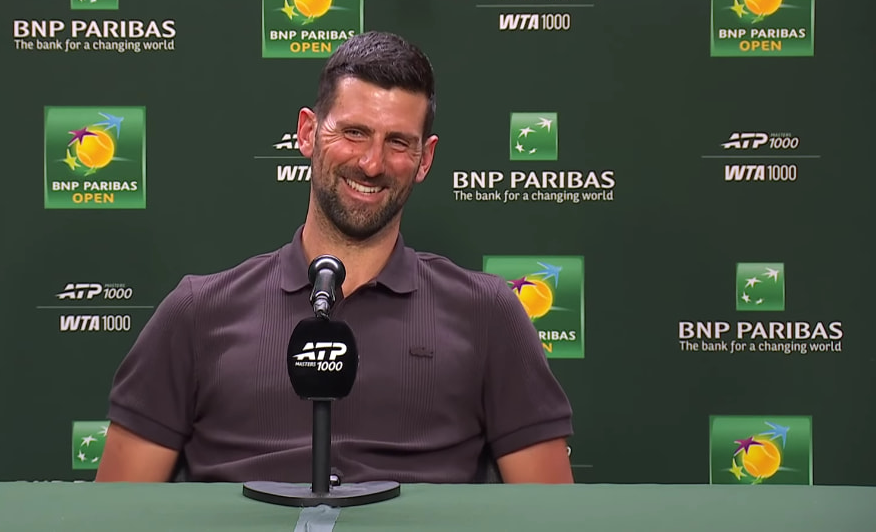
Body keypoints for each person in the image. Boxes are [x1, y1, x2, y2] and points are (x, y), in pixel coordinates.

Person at [96, 31, 574, 484]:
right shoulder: (197, 312)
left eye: (398, 143)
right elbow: (116, 517)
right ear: (307, 133)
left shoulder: (488, 312)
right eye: (354, 133)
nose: (371, 163)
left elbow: (550, 518)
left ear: (425, 159)